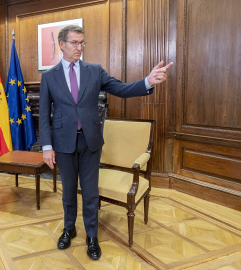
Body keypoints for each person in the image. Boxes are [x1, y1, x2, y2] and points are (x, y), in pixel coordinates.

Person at [39, 25, 173, 260]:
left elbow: (121, 89)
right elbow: (43, 114)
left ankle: (92, 236)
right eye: (75, 43)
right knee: (68, 192)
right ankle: (69, 229)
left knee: (90, 193)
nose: (80, 47)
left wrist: (147, 82)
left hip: (91, 141)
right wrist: (47, 147)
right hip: (63, 142)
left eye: (83, 43)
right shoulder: (49, 76)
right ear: (62, 45)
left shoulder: (94, 70)